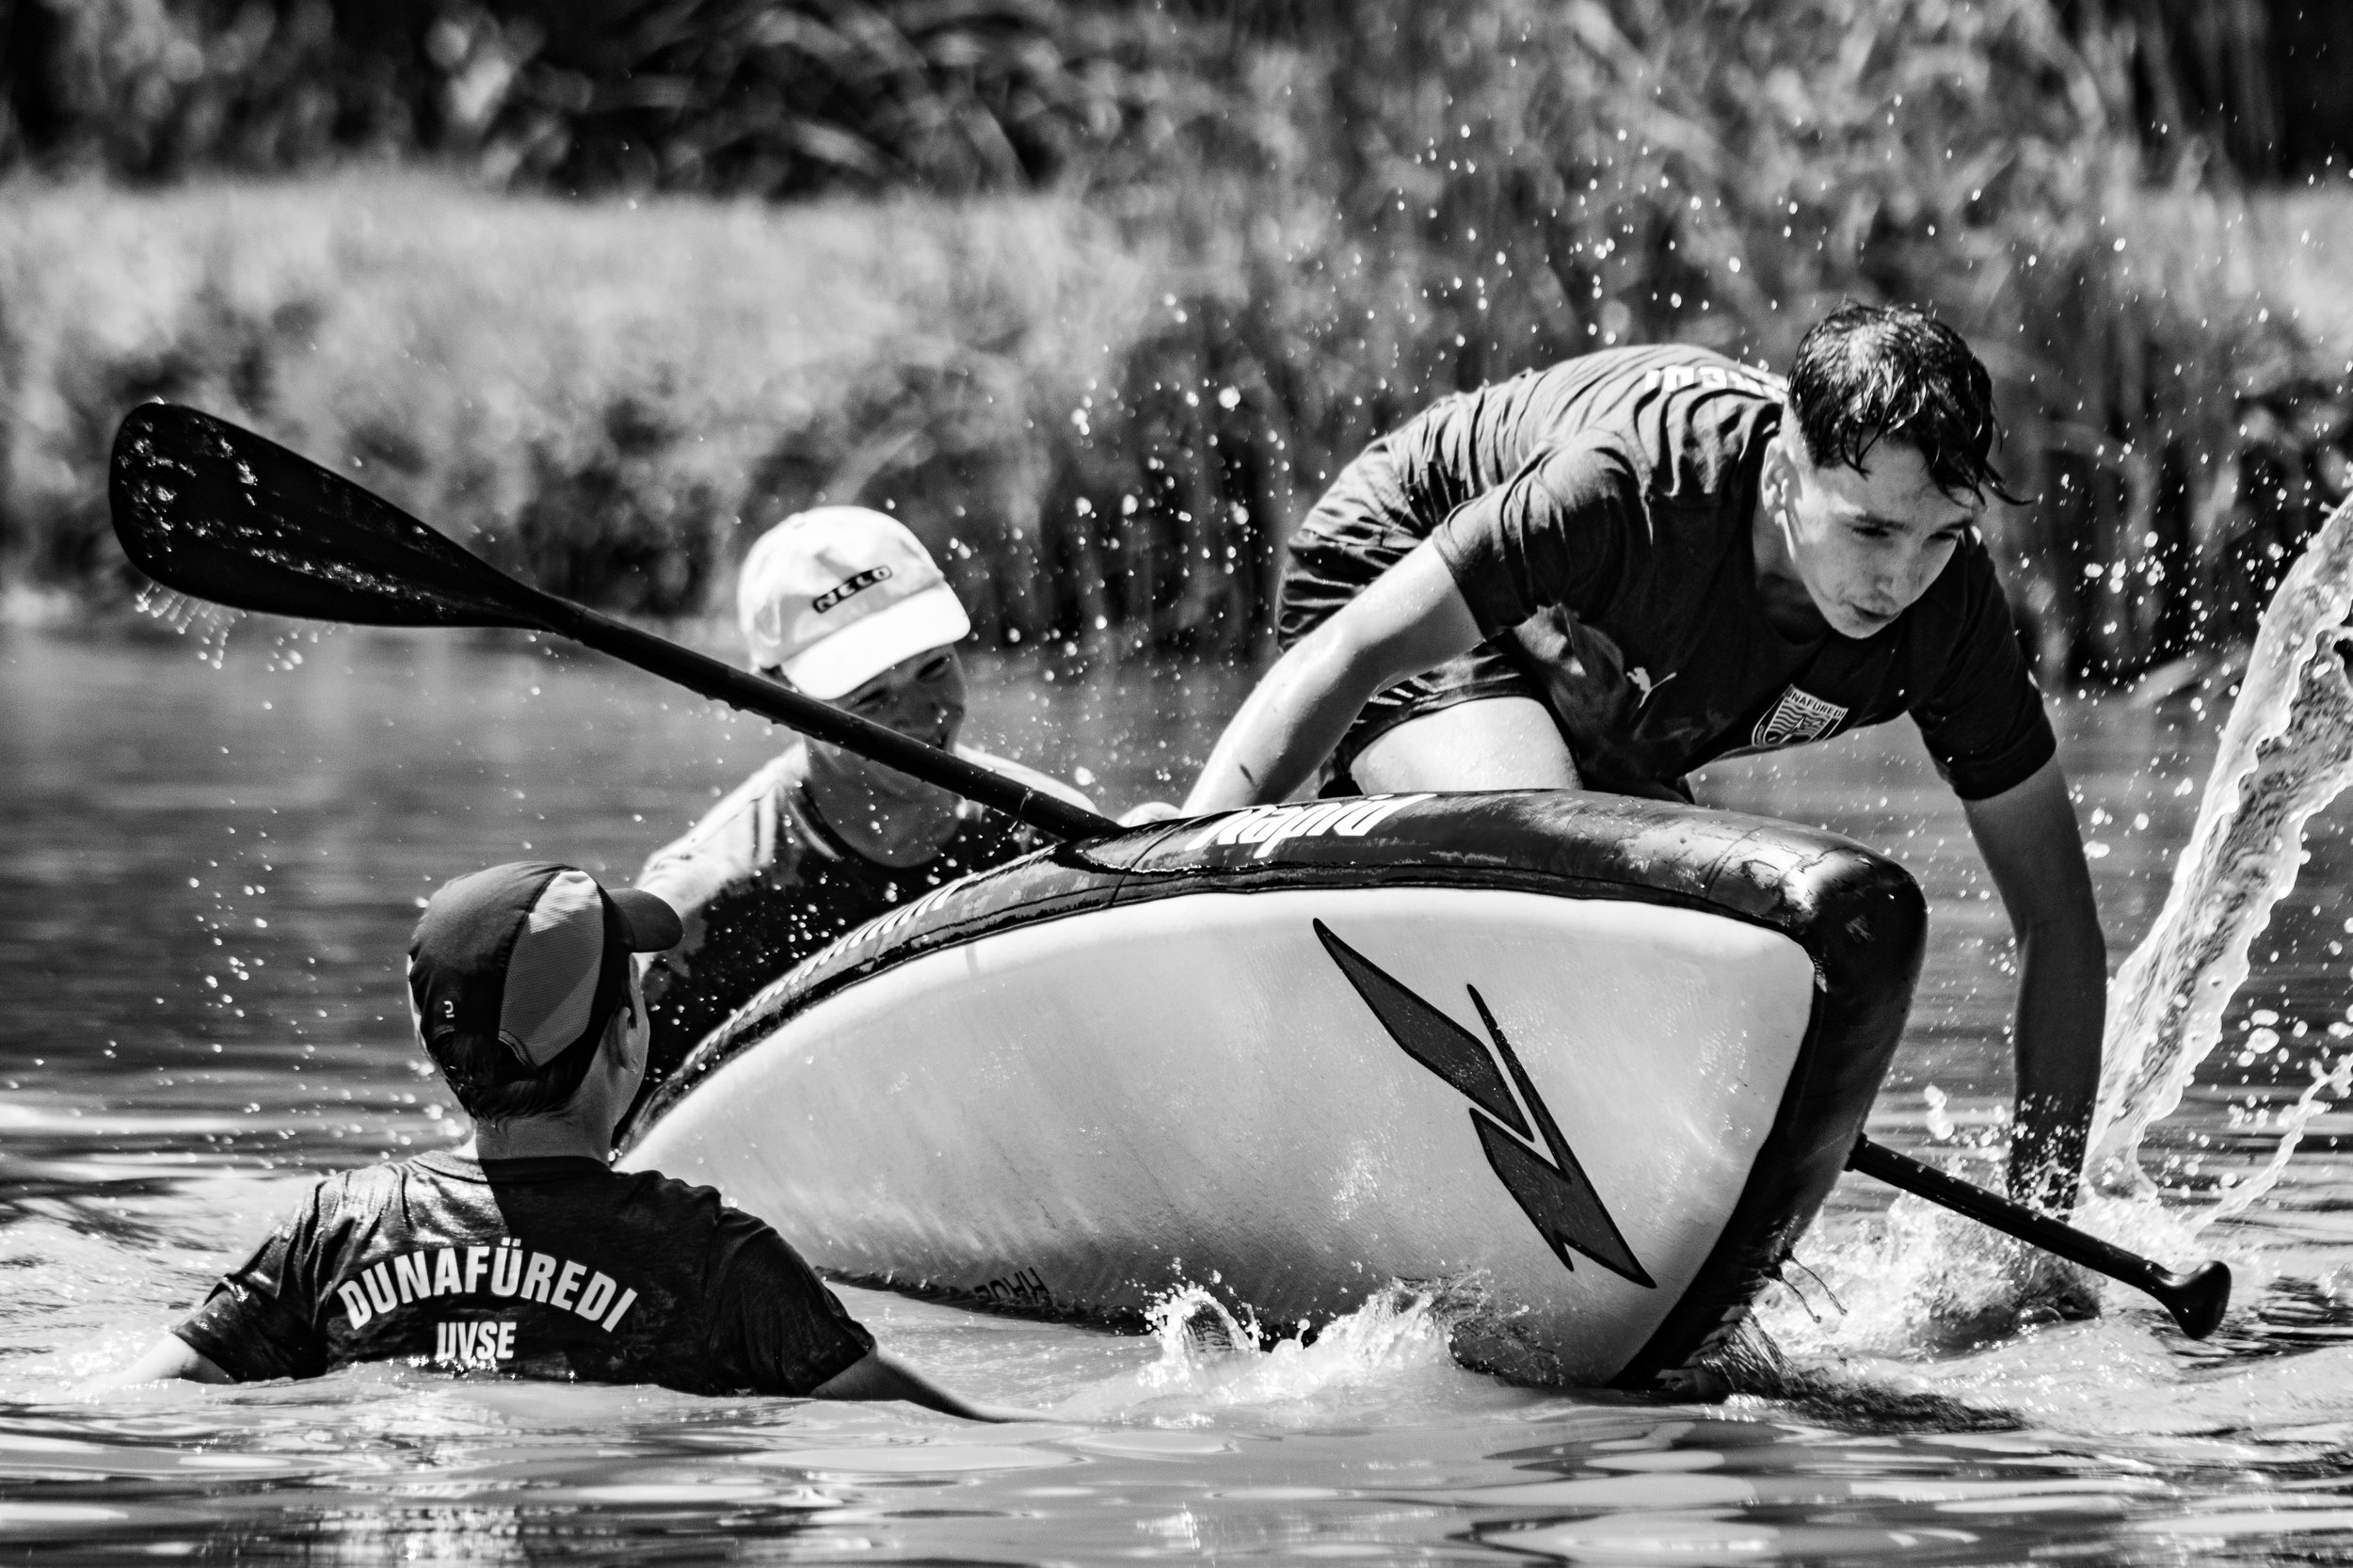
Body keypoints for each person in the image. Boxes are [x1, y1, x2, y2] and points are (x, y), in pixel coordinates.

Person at [1184, 305, 2105, 1212]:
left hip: (1584, 670)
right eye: (1868, 531)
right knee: (1566, 890)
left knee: (1693, 974)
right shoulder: (1627, 487)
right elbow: (1354, 649)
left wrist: (2038, 1229)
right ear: (1784, 474)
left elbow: (2057, 922)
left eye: (1938, 536)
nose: (1902, 579)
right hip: (1389, 557)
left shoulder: (1953, 615)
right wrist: (1183, 846)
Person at [101, 860, 1021, 1417]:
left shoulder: (338, 1225)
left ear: (434, 1052)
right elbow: (934, 1430)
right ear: (626, 1031)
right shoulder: (709, 1255)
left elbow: (139, 1401)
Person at [631, 505, 1090, 1113]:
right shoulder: (698, 910)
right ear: (775, 696)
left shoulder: (1054, 834)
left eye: (934, 667)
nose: (922, 716)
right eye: (872, 696)